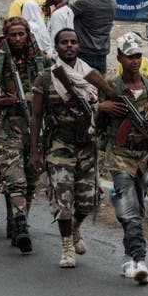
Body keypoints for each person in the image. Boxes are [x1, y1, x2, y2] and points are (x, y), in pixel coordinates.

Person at [31, 25, 103, 268]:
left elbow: (102, 106)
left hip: (86, 145)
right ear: (57, 46)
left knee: (88, 200)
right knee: (64, 198)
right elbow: (37, 115)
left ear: (79, 46)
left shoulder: (90, 74)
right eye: (64, 42)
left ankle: (75, 228)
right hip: (59, 145)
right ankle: (66, 246)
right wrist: (35, 150)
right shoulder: (46, 77)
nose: (69, 46)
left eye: (73, 42)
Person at [100, 32, 148, 282]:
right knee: (127, 207)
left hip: (145, 157)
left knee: (137, 206)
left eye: (138, 56)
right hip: (120, 155)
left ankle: (128, 258)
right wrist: (102, 108)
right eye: (130, 57)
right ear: (119, 58)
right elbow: (100, 124)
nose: (135, 61)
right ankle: (140, 257)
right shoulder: (111, 86)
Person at [0, 15, 46, 251]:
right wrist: (5, 102)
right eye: (13, 35)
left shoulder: (42, 62)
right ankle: (21, 225)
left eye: (22, 34)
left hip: (36, 128)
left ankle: (19, 220)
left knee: (31, 179)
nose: (18, 39)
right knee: (14, 178)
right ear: (6, 38)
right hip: (9, 127)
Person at [73, 0, 118, 76]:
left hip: (85, 51)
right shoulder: (112, 1)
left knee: (83, 85)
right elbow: (94, 7)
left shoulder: (84, 2)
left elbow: (68, 12)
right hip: (102, 52)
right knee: (100, 85)